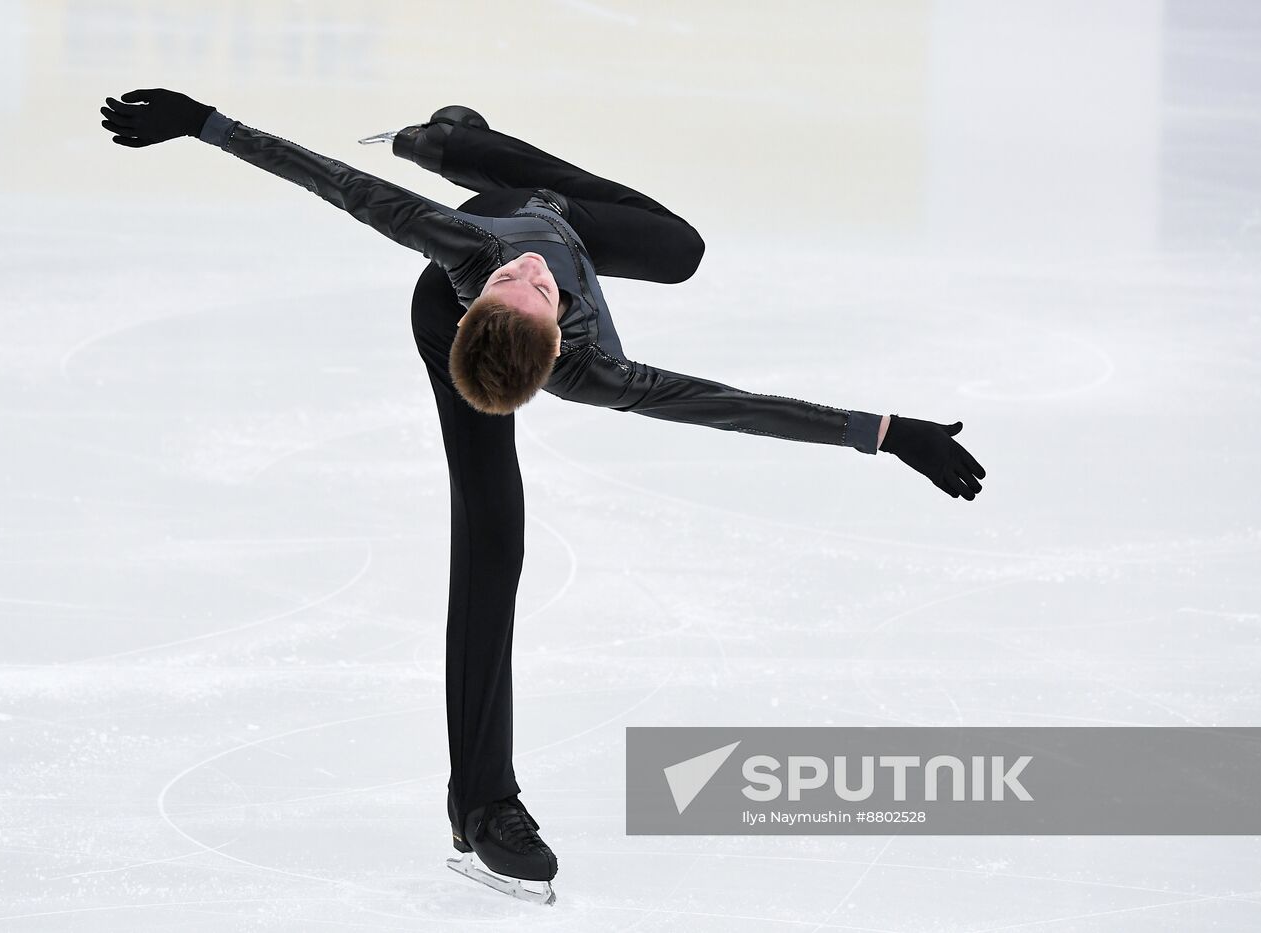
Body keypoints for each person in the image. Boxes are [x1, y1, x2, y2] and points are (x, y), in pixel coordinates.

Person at [99, 88, 987, 905]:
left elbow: (335, 181)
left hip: (508, 219)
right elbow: (720, 404)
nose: (523, 270)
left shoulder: (519, 292)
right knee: (494, 540)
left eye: (517, 283)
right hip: (447, 332)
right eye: (520, 286)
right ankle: (482, 803)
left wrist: (204, 121)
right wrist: (880, 429)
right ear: (540, 325)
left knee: (679, 250)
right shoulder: (536, 316)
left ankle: (456, 146)